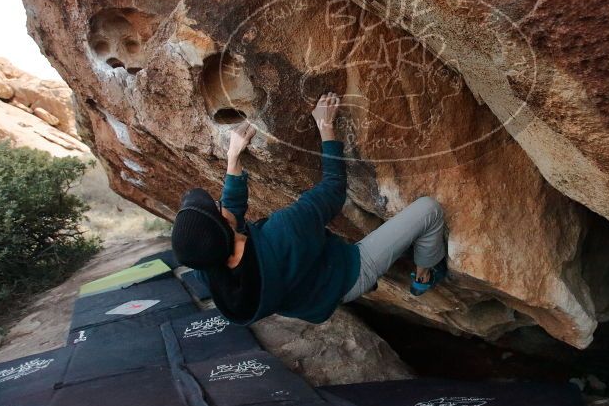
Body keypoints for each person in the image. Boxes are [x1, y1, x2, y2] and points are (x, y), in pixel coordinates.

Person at [171, 92, 448, 325]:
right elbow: (333, 190)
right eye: (216, 208)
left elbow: (230, 219)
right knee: (429, 210)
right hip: (349, 273)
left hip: (305, 295)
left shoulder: (209, 266)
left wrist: (233, 159)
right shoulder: (284, 230)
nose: (220, 204)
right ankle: (424, 275)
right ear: (226, 226)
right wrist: (326, 127)